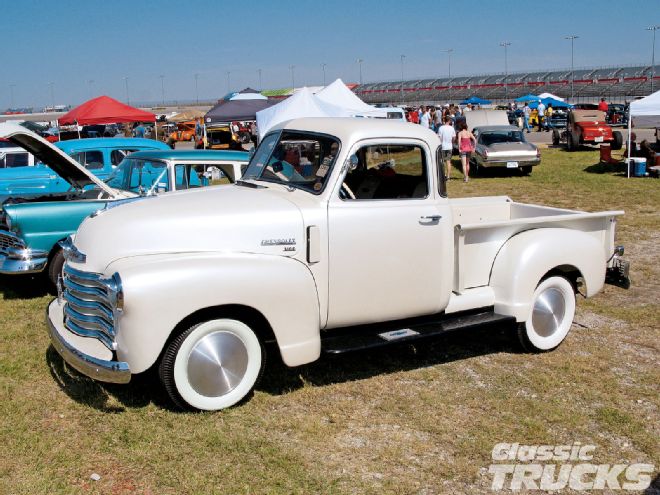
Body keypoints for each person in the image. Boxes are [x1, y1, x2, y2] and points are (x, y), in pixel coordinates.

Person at [437, 116, 456, 180]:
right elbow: (453, 138)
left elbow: (439, 137)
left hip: (442, 146)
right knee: (448, 161)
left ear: (444, 120)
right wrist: (452, 142)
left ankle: (443, 174)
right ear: (449, 121)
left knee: (442, 161)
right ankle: (448, 176)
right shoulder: (452, 128)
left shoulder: (441, 128)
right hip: (449, 146)